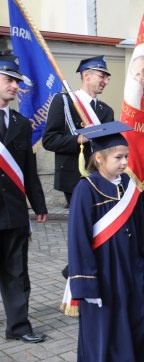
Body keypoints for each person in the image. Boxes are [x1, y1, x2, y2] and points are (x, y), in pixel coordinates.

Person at [67, 121, 144, 362]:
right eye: (118, 158)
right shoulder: (87, 189)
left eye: (126, 157)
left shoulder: (129, 185)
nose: (124, 163)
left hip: (133, 266)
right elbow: (79, 239)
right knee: (113, 320)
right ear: (99, 158)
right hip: (105, 269)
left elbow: (141, 229)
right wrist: (85, 283)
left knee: (143, 313)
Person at [0, 54, 48, 344]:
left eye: (17, 82)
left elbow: (28, 170)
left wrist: (39, 204)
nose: (16, 86)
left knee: (17, 272)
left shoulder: (21, 122)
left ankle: (18, 326)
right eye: (9, 80)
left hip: (15, 212)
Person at [43, 56, 114, 208]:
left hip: (103, 176)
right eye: (102, 76)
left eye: (107, 78)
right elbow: (49, 140)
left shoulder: (107, 110)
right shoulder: (64, 101)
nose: (106, 82)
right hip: (74, 176)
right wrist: (78, 139)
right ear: (86, 75)